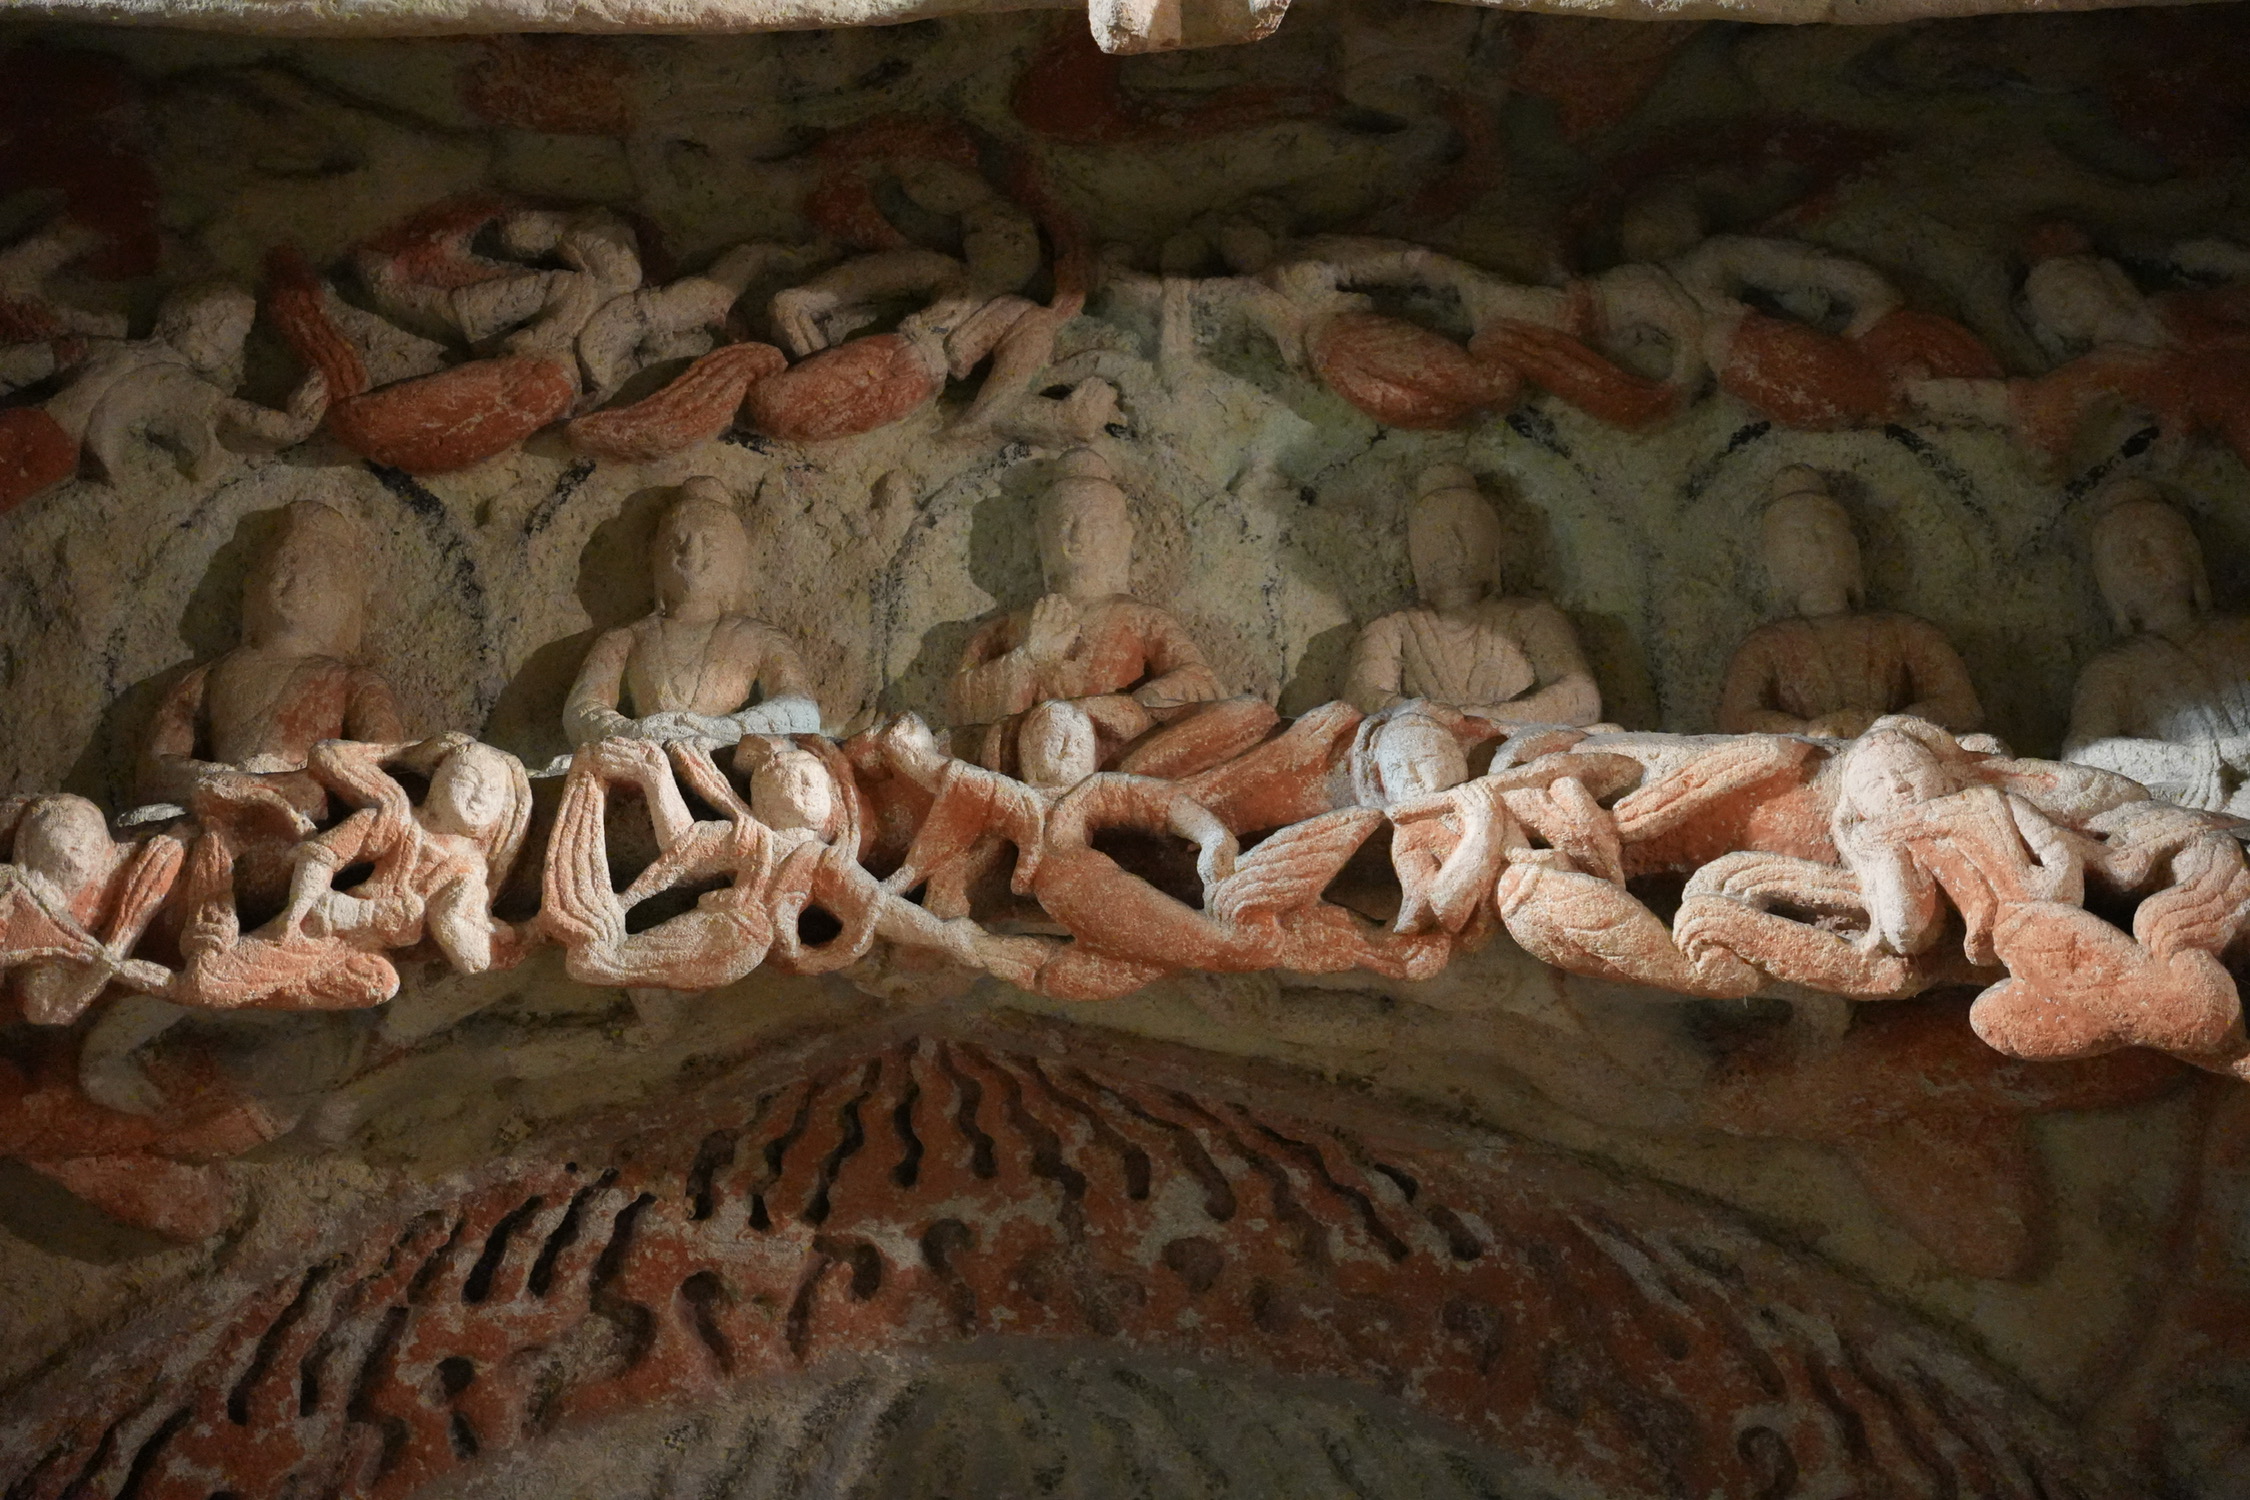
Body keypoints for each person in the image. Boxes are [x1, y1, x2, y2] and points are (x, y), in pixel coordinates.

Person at [952, 448, 1272, 778]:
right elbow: (965, 709)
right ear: (1041, 536)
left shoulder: (1140, 619)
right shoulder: (1008, 628)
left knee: (1244, 715)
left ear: (1123, 537)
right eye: (1064, 523)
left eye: (1096, 524)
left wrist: (1141, 702)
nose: (1078, 536)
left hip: (1120, 756)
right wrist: (1028, 658)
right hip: (1031, 759)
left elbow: (1202, 682)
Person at [142, 500, 406, 826]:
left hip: (307, 821)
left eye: (315, 572)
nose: (294, 578)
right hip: (215, 811)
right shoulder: (210, 676)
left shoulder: (355, 682)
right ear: (252, 583)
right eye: (283, 563)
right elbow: (154, 768)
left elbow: (384, 772)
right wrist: (225, 781)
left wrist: (303, 787)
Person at [1717, 467, 1982, 738]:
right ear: (1774, 566)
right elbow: (1736, 720)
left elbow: (1962, 707)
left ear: (1853, 548)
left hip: (1896, 745)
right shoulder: (1764, 646)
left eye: (1824, 530)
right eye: (1795, 537)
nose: (1813, 544)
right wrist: (1808, 731)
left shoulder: (1904, 631)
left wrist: (1888, 725)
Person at [564, 479, 821, 748]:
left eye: (709, 543)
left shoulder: (760, 637)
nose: (691, 553)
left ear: (733, 559)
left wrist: (721, 729)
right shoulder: (626, 638)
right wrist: (637, 731)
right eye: (677, 542)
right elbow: (581, 711)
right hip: (647, 752)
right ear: (656, 557)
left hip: (727, 751)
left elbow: (800, 710)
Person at [1344, 465, 1602, 731]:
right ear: (1415, 551)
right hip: (1422, 739)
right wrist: (1428, 717)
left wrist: (1490, 717)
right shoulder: (1392, 629)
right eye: (1439, 534)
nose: (1455, 546)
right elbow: (1361, 699)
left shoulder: (1531, 617)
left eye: (1467, 531)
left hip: (1515, 739)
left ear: (1493, 548)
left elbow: (1582, 697)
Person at [2065, 484, 2250, 814]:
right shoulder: (2113, 670)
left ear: (2190, 553)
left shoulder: (2241, 637)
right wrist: (2202, 759)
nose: (2140, 559)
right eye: (2121, 554)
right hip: (2193, 806)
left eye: (2152, 541)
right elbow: (2084, 757)